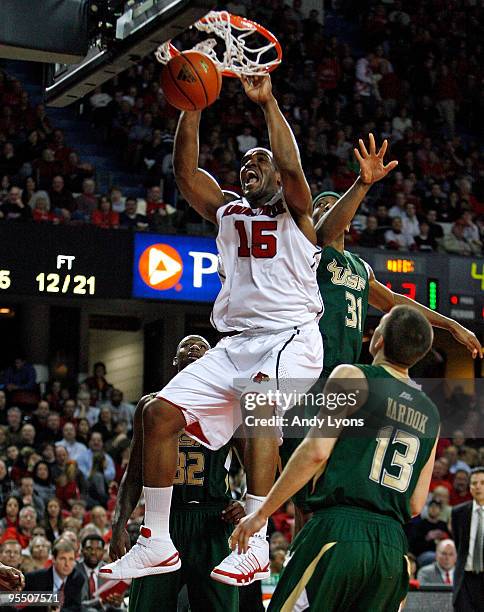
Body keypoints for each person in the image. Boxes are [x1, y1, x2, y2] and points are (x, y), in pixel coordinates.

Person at [102, 73, 348, 584]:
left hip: (292, 338)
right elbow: (186, 172)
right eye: (244, 163)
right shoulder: (228, 210)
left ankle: (257, 541)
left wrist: (268, 102)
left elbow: (291, 166)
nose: (249, 166)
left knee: (260, 406)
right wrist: (192, 105)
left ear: (277, 178)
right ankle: (157, 541)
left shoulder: (299, 215)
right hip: (238, 343)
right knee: (157, 411)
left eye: (259, 161)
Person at [281, 187, 481, 530]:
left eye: (333, 207)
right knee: (307, 491)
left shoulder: (359, 267)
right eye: (320, 208)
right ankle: (303, 573)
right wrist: (362, 183)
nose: (327, 212)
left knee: (337, 482)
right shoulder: (308, 255)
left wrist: (450, 325)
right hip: (310, 376)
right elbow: (325, 233)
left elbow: (394, 303)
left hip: (347, 381)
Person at [232, 305, 441, 611]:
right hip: (393, 549)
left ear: (378, 339)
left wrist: (262, 512)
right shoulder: (432, 415)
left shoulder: (352, 376)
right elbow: (415, 504)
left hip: (338, 532)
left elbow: (316, 451)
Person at [110, 335, 243, 611]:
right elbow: (133, 472)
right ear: (175, 361)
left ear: (211, 360)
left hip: (212, 520)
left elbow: (255, 460)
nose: (193, 348)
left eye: (201, 346)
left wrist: (247, 504)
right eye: (186, 345)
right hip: (164, 520)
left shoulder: (229, 403)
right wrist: (119, 522)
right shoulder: (152, 405)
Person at [451, 466, 484, 611]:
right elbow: (459, 544)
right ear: (469, 487)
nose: (478, 487)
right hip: (465, 579)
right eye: (474, 483)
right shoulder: (458, 512)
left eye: (483, 483)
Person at [24, 539, 84, 612]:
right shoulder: (34, 579)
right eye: (63, 559)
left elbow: (76, 608)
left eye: (71, 559)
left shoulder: (77, 578)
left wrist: (59, 611)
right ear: (53, 559)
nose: (67, 564)